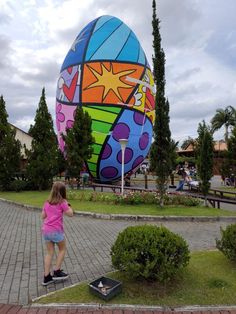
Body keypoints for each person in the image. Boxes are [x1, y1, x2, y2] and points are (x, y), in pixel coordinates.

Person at [41, 181, 73, 286]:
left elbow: (43, 216)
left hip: (46, 231)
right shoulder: (62, 202)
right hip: (56, 231)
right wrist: (69, 205)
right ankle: (57, 271)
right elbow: (70, 214)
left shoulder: (47, 202)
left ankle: (46, 277)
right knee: (62, 249)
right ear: (63, 192)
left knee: (49, 253)